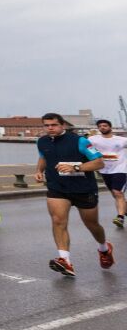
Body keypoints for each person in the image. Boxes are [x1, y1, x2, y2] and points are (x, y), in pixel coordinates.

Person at [34, 112, 114, 276]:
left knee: (92, 224)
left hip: (83, 188)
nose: (50, 128)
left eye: (54, 125)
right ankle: (65, 260)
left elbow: (99, 162)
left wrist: (76, 168)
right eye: (47, 125)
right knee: (58, 221)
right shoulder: (42, 141)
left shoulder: (80, 141)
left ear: (63, 125)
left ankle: (104, 248)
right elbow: (43, 157)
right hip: (57, 188)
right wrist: (38, 171)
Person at [88, 119, 126, 227]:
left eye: (105, 125)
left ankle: (120, 217)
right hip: (104, 170)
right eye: (100, 126)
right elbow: (83, 147)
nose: (102, 127)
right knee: (115, 194)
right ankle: (124, 210)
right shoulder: (93, 139)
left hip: (120, 169)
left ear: (110, 127)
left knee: (117, 192)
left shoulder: (121, 140)